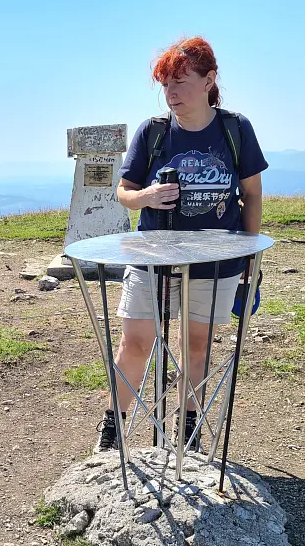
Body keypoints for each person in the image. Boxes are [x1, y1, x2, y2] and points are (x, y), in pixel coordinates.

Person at [95, 36, 268, 454]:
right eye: (165, 84)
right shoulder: (153, 133)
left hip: (216, 261)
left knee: (196, 347)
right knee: (135, 343)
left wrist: (249, 255)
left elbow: (253, 195)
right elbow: (124, 190)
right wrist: (146, 197)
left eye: (181, 82)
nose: (171, 93)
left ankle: (187, 433)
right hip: (152, 257)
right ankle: (113, 431)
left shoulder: (235, 130)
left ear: (209, 80)